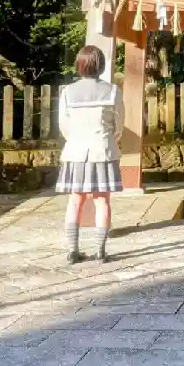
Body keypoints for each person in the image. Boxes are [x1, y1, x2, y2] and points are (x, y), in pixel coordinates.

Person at [57, 45, 123, 263]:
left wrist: (76, 139)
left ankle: (72, 251)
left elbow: (64, 126)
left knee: (75, 201)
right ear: (101, 65)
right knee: (102, 201)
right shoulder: (113, 91)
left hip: (76, 150)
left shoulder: (67, 92)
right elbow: (119, 126)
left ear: (79, 64)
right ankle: (100, 251)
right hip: (103, 150)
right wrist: (109, 139)